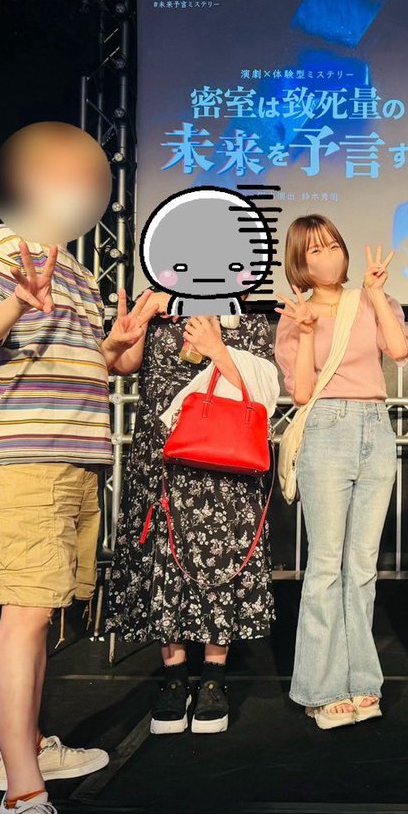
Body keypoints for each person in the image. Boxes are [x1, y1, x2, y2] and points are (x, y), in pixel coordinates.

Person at [0, 122, 160, 814]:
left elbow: (97, 364)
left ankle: (29, 749)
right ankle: (21, 797)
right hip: (20, 458)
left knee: (44, 613)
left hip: (76, 459)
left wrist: (120, 345)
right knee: (26, 611)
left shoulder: (77, 272)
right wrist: (15, 301)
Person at [105, 293, 278, 736]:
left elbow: (263, 395)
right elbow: (121, 365)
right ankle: (174, 678)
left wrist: (217, 348)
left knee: (220, 558)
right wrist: (144, 314)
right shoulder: (159, 314)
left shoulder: (248, 321)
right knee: (165, 558)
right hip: (161, 455)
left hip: (223, 460)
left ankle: (214, 678)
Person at [273, 215, 408, 729]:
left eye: (333, 246)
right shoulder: (297, 313)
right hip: (327, 427)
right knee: (326, 565)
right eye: (315, 251)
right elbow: (302, 393)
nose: (328, 257)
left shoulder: (371, 300)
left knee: (363, 567)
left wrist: (374, 294)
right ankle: (322, 688)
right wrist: (307, 331)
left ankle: (361, 681)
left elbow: (398, 350)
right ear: (299, 263)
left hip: (376, 427)